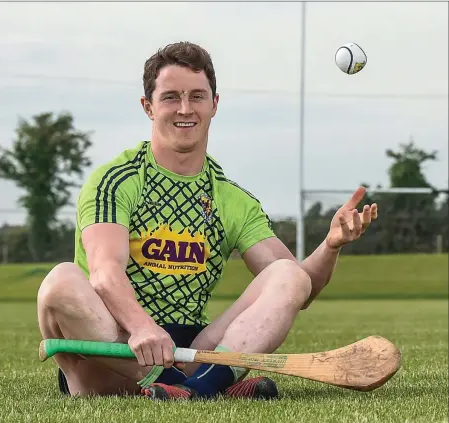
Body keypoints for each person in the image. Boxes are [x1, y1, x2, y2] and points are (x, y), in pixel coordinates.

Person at [37, 41, 378, 400]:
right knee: (61, 282)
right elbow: (105, 272)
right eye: (171, 97)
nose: (185, 109)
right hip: (118, 351)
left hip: (192, 350)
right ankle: (208, 387)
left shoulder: (231, 199)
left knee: (287, 273)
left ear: (214, 104)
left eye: (197, 96)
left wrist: (330, 245)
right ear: (148, 107)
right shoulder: (116, 180)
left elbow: (298, 288)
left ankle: (193, 388)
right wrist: (141, 328)